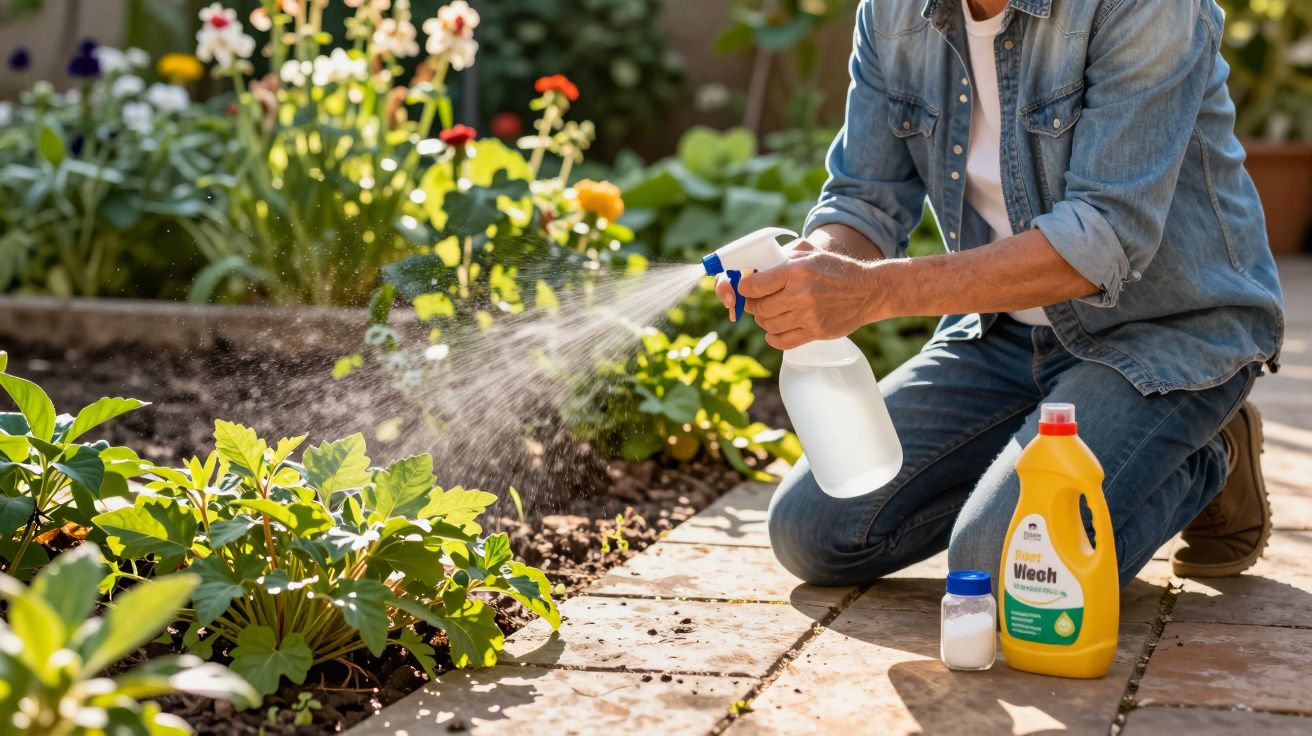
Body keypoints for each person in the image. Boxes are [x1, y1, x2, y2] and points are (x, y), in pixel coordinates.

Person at [717, 0, 1285, 588]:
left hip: (1164, 337)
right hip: (1001, 334)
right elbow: (864, 199)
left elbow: (1104, 237)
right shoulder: (892, 12)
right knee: (813, 530)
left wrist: (873, 292)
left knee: (1007, 570)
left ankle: (1206, 453)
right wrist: (819, 266)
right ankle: (1042, 470)